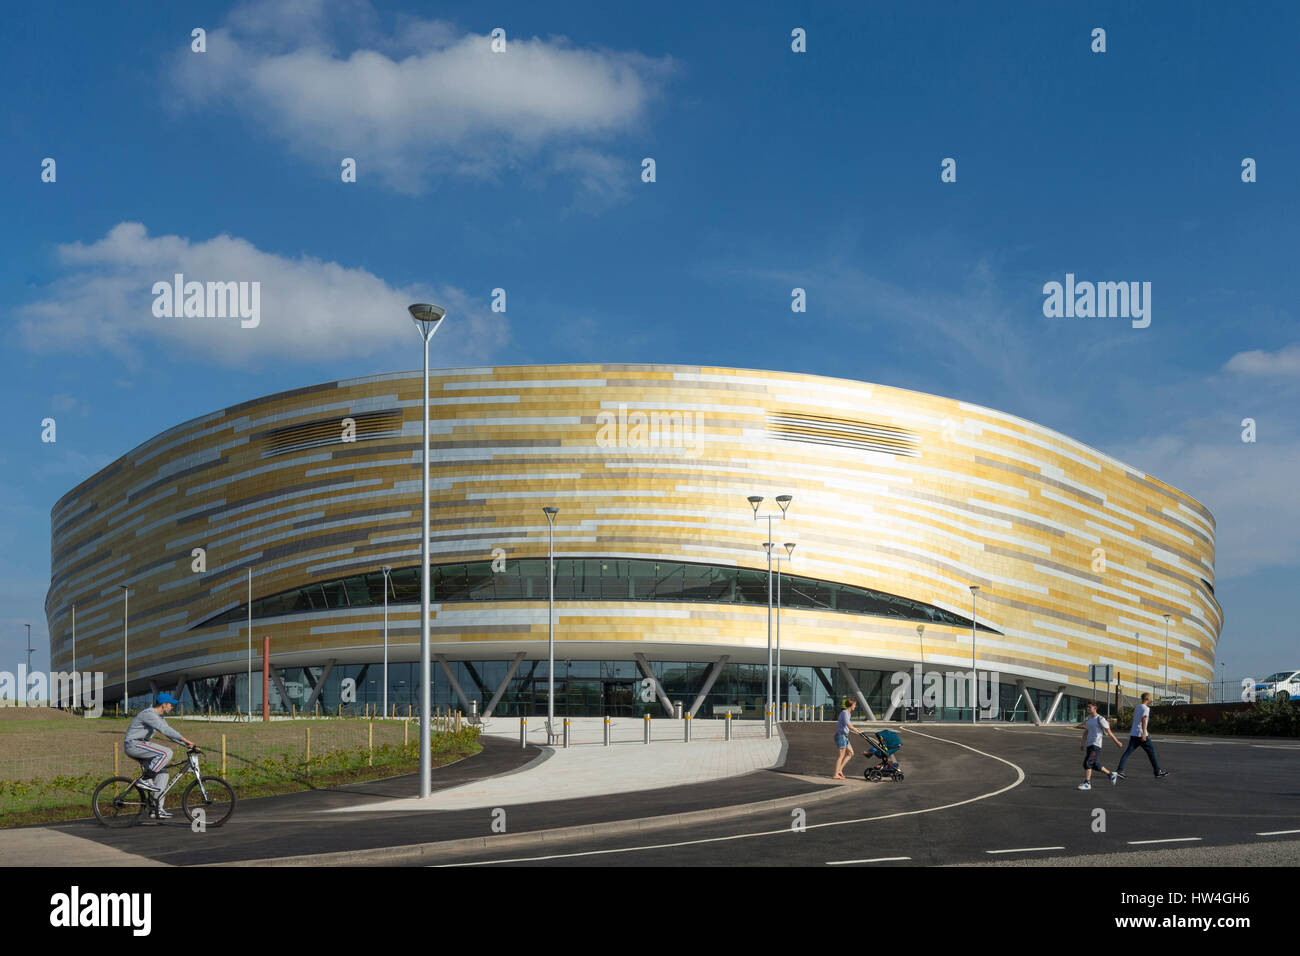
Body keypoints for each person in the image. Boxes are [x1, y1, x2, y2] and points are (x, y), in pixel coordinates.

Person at [124, 692, 198, 819]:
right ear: (164, 705)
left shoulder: (160, 718)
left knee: (163, 774)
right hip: (133, 744)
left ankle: (156, 809)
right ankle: (145, 779)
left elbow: (169, 734)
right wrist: (186, 739)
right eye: (171, 705)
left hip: (141, 745)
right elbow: (165, 730)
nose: (172, 707)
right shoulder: (149, 714)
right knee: (166, 752)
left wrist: (188, 745)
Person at [1116, 692, 1169, 779]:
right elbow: (1143, 720)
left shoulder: (1137, 707)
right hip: (1141, 735)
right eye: (1150, 698)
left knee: (1127, 752)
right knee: (1151, 753)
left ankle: (1119, 770)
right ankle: (1157, 772)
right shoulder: (1146, 708)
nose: (1151, 699)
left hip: (1134, 734)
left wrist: (1146, 731)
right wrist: (1144, 733)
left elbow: (1138, 721)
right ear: (1147, 699)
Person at [1078, 700, 1123, 790]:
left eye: (1089, 707)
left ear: (1095, 708)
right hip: (1090, 745)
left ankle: (1087, 783)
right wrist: (1082, 743)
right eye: (1088, 707)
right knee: (1093, 764)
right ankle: (1111, 775)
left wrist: (1117, 742)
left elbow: (1109, 732)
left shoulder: (1100, 719)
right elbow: (1085, 732)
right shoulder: (1089, 719)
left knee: (1088, 763)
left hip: (1096, 745)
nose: (1088, 708)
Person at [832, 698, 867, 780]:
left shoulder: (848, 713)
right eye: (854, 705)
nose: (855, 706)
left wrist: (858, 730)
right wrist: (858, 731)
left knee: (850, 753)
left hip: (844, 736)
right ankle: (835, 774)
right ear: (851, 705)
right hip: (841, 736)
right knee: (841, 755)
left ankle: (839, 770)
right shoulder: (844, 713)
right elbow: (849, 726)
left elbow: (849, 725)